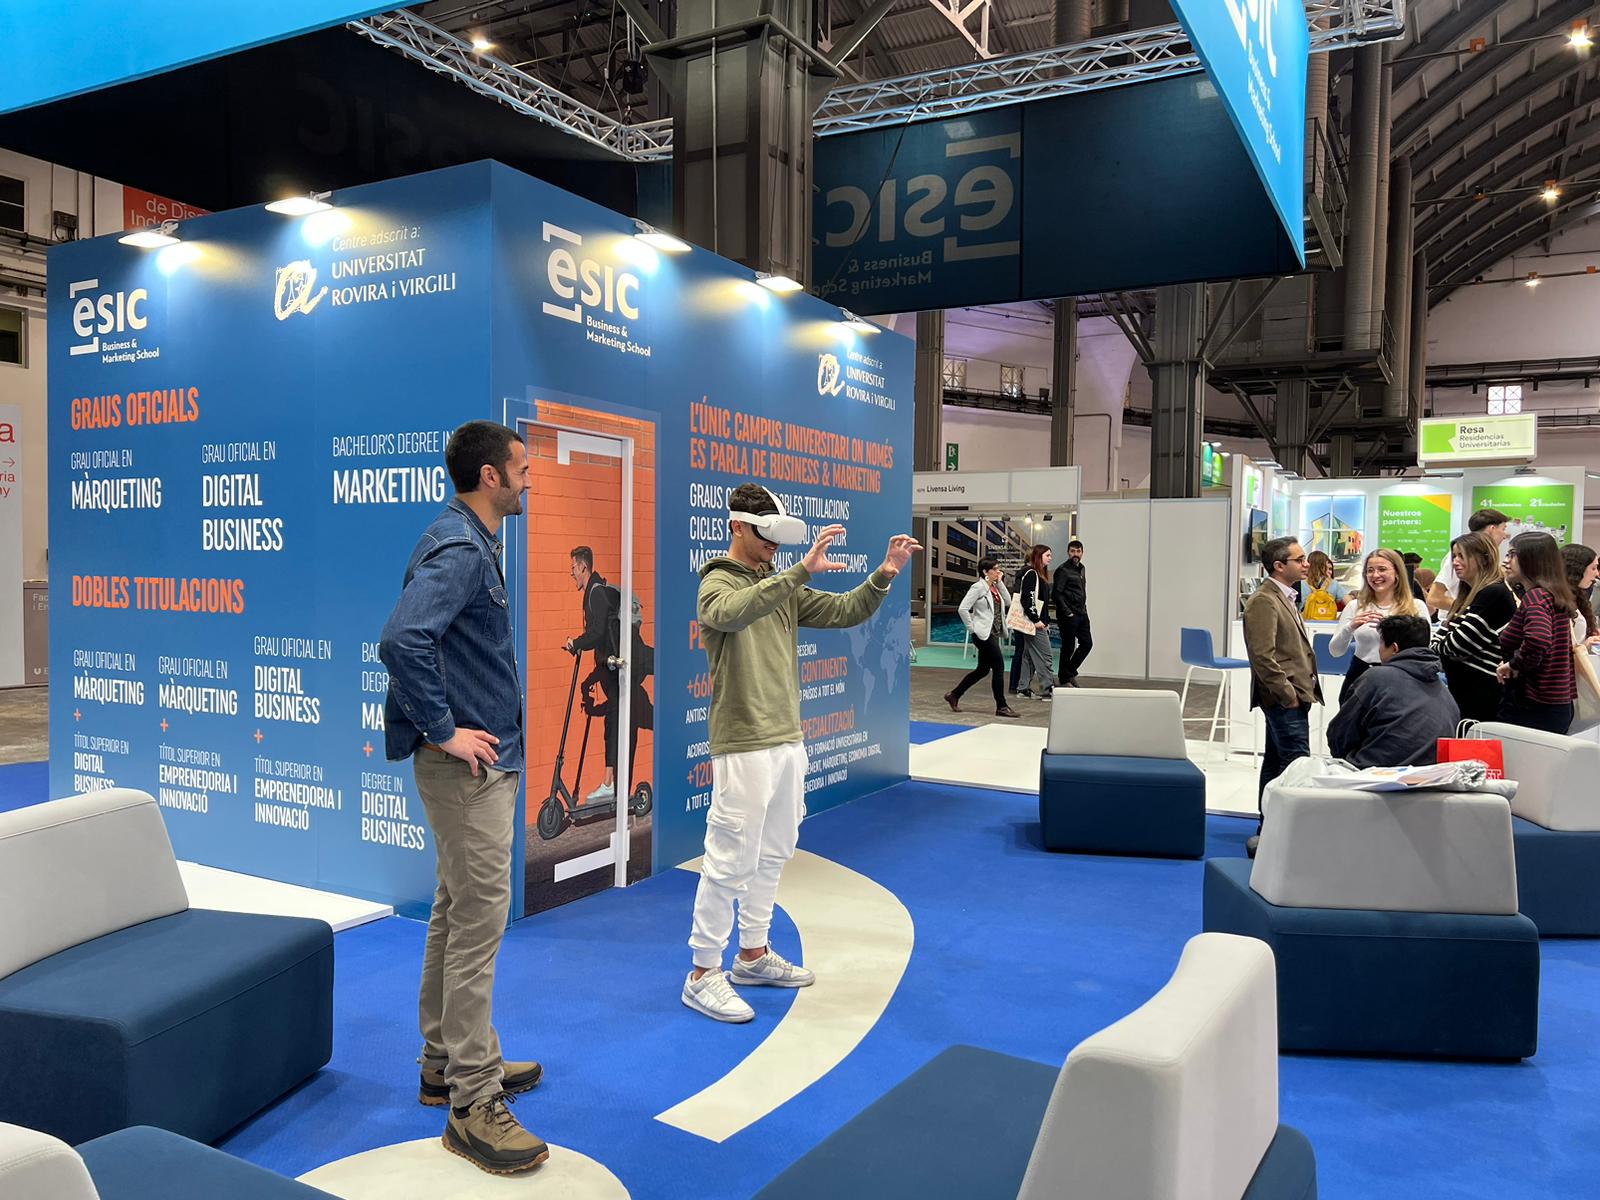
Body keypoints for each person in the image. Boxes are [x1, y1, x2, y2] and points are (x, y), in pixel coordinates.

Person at [378, 421, 547, 1176]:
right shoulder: (461, 549)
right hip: (468, 774)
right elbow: (402, 640)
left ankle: (444, 1062)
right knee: (478, 924)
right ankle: (473, 1104)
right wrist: (445, 731)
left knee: (455, 910)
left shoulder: (469, 540)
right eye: (522, 469)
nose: (529, 480)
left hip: (473, 772)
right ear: (490, 477)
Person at [684, 483, 919, 1023]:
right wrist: (797, 573)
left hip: (787, 738)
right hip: (744, 741)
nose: (773, 545)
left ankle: (753, 954)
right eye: (764, 533)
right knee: (729, 858)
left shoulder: (780, 585)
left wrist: (884, 572)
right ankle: (702, 973)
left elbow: (844, 610)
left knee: (774, 850)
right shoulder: (717, 582)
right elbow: (733, 612)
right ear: (737, 527)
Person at [1243, 537, 1321, 857]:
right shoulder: (1264, 600)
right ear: (1278, 566)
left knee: (1277, 763)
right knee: (1296, 766)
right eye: (1299, 559)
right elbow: (1263, 657)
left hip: (1295, 694)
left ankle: (1270, 831)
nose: (1306, 564)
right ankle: (1287, 839)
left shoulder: (1286, 596)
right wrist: (1287, 694)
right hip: (1284, 698)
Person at [563, 547, 652, 807]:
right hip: (616, 667)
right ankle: (611, 783)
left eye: (573, 568)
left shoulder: (597, 594)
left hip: (629, 662)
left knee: (617, 722)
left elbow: (598, 633)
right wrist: (590, 679)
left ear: (583, 567)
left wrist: (576, 643)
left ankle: (610, 783)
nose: (571, 573)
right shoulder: (593, 592)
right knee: (615, 722)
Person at [1328, 616, 1460, 768]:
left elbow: (1339, 735)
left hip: (1374, 774)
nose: (1379, 650)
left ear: (1394, 648)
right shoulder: (1445, 692)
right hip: (1433, 776)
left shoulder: (1376, 678)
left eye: (1381, 644)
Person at [1430, 532, 1518, 724]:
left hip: (1482, 697)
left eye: (1462, 556)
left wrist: (1441, 645)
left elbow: (1455, 646)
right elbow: (1441, 641)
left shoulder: (1493, 593)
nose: (1455, 562)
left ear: (1483, 558)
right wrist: (1442, 644)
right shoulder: (1469, 595)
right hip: (1465, 692)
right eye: (1454, 556)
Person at [1497, 532, 1579, 733]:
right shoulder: (1553, 595)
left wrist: (1514, 664)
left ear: (1531, 559)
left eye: (1513, 554)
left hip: (1534, 704)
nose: (1507, 561)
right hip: (1556, 703)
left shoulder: (1535, 597)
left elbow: (1538, 640)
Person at [1329, 549, 1422, 694]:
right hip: (1360, 677)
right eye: (1370, 570)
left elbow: (1423, 650)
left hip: (1402, 678)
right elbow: (1335, 652)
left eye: (1382, 569)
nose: (1375, 575)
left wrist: (1392, 629)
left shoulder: (1416, 607)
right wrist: (1349, 627)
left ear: (1397, 572)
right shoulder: (1355, 606)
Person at [946, 559, 1022, 718]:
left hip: (992, 633)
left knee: (982, 670)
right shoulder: (978, 587)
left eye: (998, 569)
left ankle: (954, 694)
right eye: (995, 569)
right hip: (982, 635)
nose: (998, 571)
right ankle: (1001, 706)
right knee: (999, 667)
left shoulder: (994, 587)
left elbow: (1008, 602)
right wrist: (972, 628)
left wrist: (1000, 582)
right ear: (985, 572)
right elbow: (963, 608)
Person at [1427, 508, 1510, 613]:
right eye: (1503, 529)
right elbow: (1434, 597)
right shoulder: (1459, 556)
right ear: (1492, 528)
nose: (1504, 535)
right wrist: (1470, 611)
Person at [1014, 545, 1055, 701]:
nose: (1050, 558)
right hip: (1034, 623)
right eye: (1047, 555)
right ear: (1039, 556)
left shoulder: (1038, 574)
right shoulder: (1032, 574)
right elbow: (1028, 599)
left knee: (1029, 656)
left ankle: (1023, 689)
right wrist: (1036, 620)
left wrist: (1044, 620)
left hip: (1035, 622)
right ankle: (1047, 689)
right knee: (1046, 656)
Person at [1052, 539, 1092, 687]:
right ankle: (1064, 678)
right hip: (1068, 615)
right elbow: (1056, 594)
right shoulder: (1063, 570)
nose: (1076, 554)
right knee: (1068, 647)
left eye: (1078, 551)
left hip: (1082, 613)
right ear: (1068, 552)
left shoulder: (1082, 568)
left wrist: (1083, 609)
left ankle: (1067, 673)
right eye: (1073, 551)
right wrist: (1067, 612)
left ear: (1082, 553)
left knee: (1087, 644)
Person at [1561, 543, 1600, 648]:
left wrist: (1591, 635)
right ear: (1578, 569)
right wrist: (1585, 645)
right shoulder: (1558, 601)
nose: (1597, 573)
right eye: (1593, 568)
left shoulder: (1576, 596)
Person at [1295, 550, 1348, 620]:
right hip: (1328, 624)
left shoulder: (1299, 582)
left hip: (1305, 623)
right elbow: (1350, 603)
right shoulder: (1333, 584)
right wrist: (1338, 619)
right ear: (1324, 565)